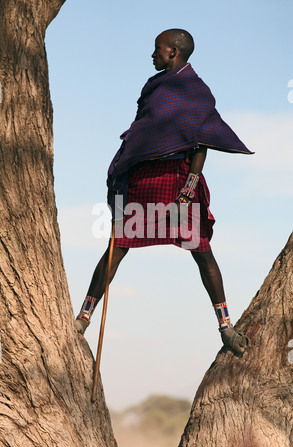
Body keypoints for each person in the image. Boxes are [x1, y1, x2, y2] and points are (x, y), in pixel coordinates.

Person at [75, 29, 252, 355]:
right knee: (118, 244)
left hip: (177, 178)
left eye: (157, 50)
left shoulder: (196, 91)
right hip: (144, 178)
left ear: (173, 52)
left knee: (201, 250)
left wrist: (189, 187)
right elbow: (141, 133)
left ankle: (225, 327)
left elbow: (202, 140)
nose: (152, 55)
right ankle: (83, 318)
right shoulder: (153, 88)